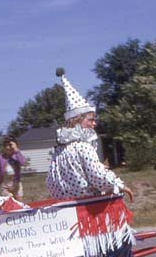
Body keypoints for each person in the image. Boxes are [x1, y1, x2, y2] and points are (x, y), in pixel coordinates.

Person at [46, 73, 134, 202]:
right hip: (86, 207)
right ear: (77, 120)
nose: (94, 124)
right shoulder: (83, 147)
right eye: (91, 120)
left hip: (64, 207)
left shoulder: (60, 151)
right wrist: (119, 185)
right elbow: (97, 176)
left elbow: (51, 181)